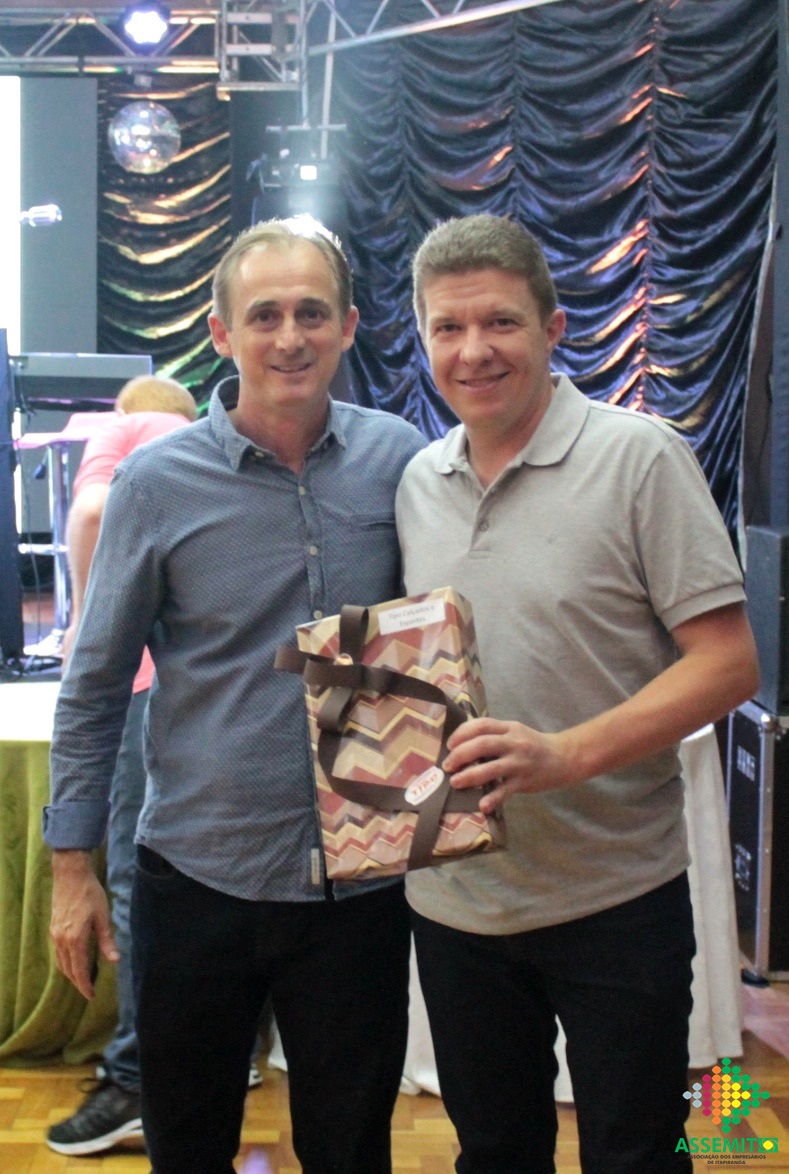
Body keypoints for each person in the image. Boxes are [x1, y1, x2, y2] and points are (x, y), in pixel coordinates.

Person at [44, 216, 425, 1174]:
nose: (289, 336)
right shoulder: (156, 484)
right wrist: (71, 867)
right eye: (264, 315)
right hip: (197, 879)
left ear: (347, 326)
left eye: (311, 313)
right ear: (222, 333)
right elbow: (94, 685)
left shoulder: (400, 460)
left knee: (352, 1149)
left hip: (357, 886)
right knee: (188, 1147)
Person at [395, 213, 760, 1174]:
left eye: (500, 322)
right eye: (446, 327)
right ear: (422, 338)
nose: (473, 351)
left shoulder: (640, 458)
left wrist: (564, 755)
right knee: (494, 1154)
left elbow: (728, 664)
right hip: (458, 904)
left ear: (552, 329)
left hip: (615, 897)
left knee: (636, 1155)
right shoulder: (416, 481)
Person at [47, 376, 198, 1156]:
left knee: (141, 880)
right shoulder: (199, 443)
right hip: (189, 689)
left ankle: (138, 1075)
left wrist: (85, 617)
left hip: (136, 681)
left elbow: (92, 511)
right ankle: (204, 1055)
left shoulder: (124, 428)